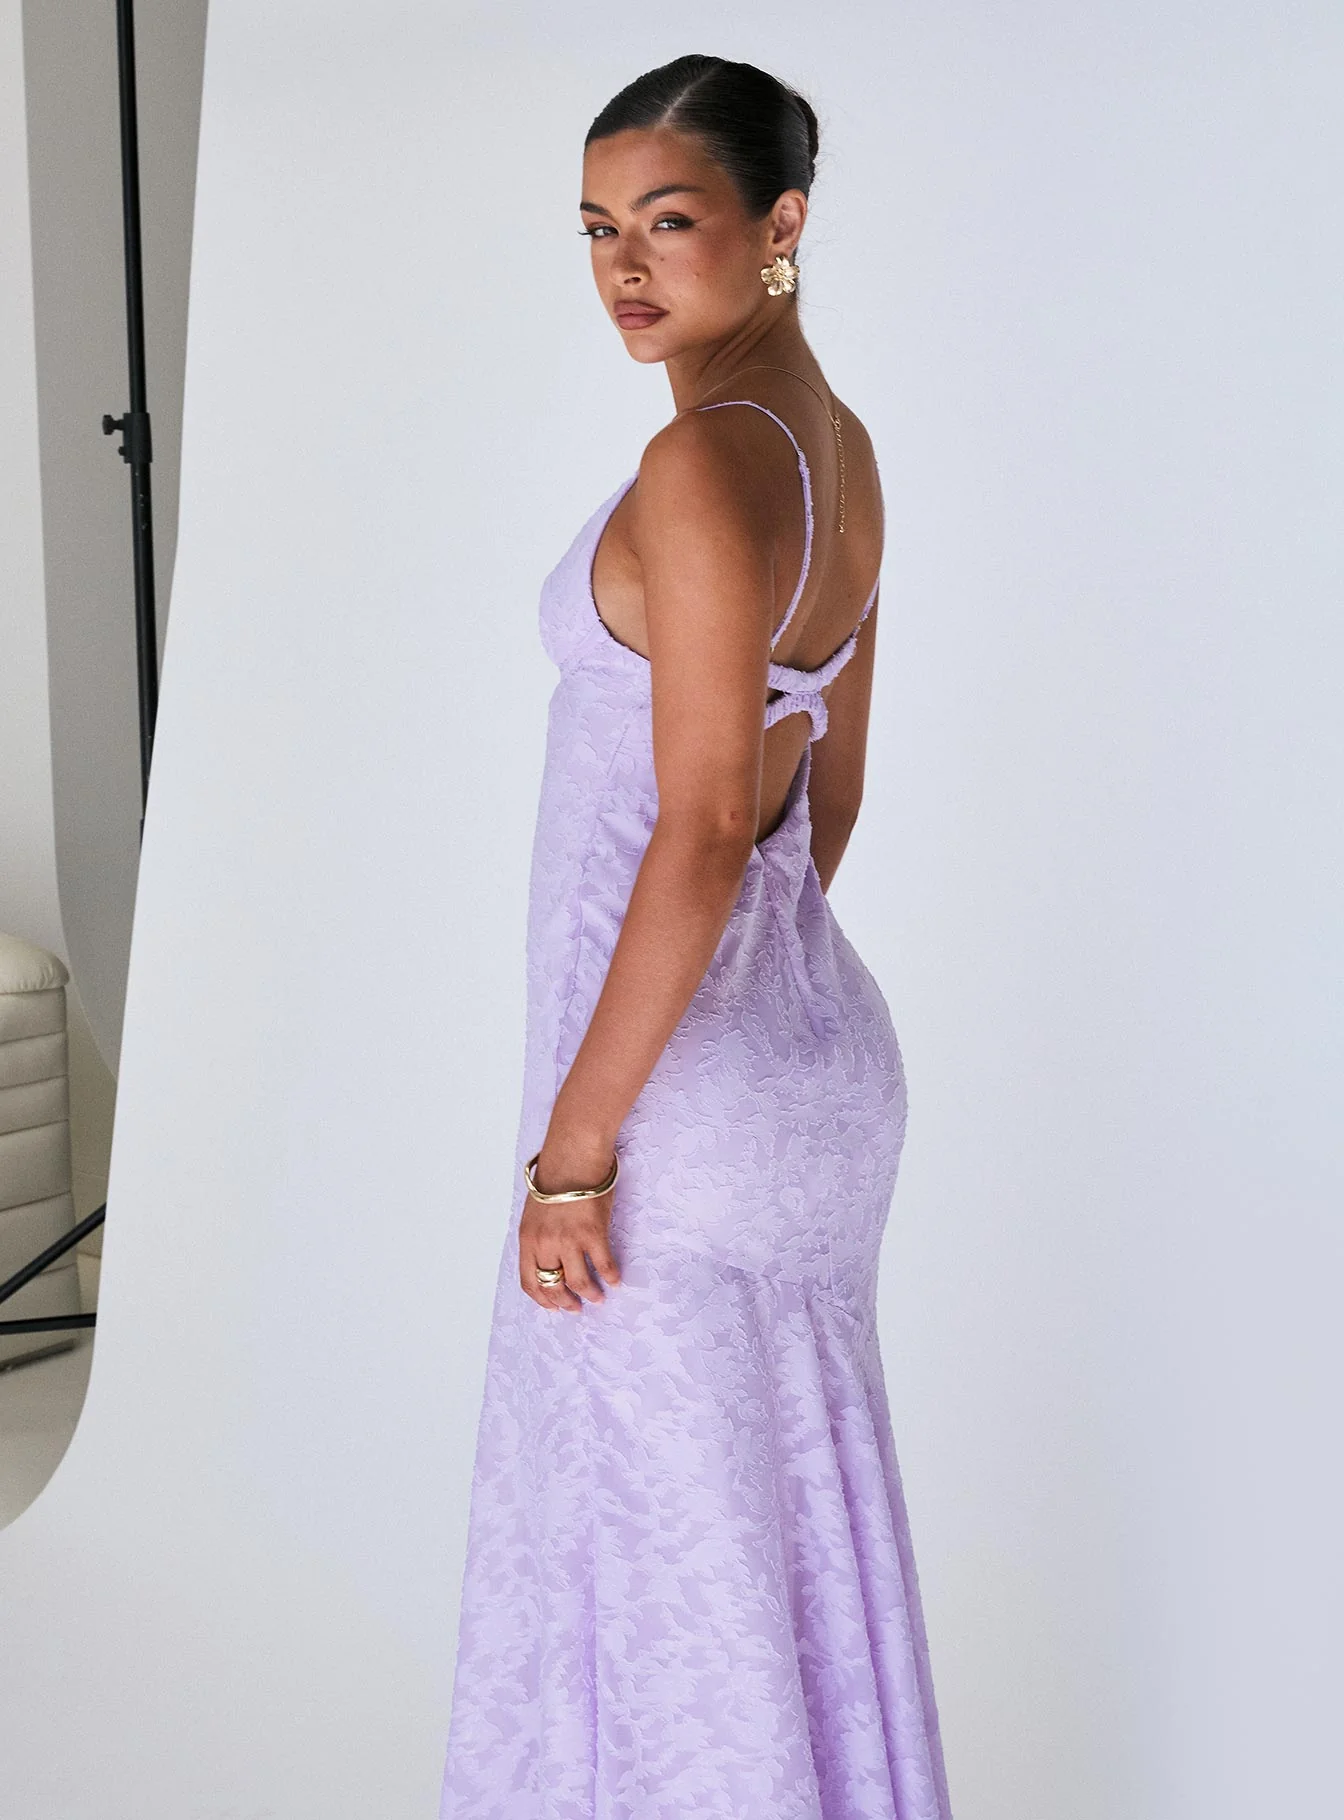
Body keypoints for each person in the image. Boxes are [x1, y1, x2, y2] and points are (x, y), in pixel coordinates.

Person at [440, 53, 953, 1820]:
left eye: (669, 221)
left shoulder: (700, 464)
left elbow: (716, 823)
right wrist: (751, 1003)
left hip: (673, 1099)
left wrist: (576, 1154)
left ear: (780, 222)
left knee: (674, 1586)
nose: (624, 269)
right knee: (781, 1541)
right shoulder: (841, 456)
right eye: (598, 229)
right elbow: (830, 802)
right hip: (802, 1068)